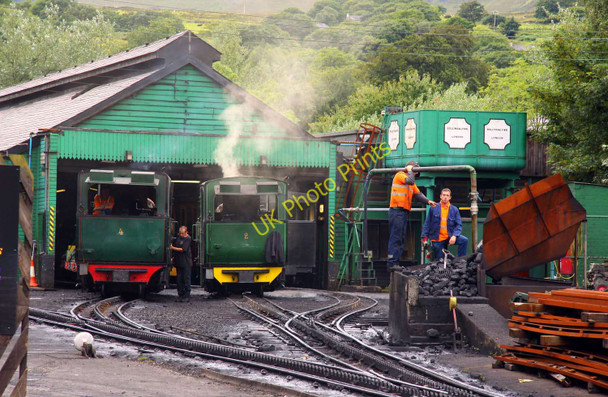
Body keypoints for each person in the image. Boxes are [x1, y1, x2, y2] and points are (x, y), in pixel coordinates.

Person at [387, 161, 436, 270]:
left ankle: (395, 263)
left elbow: (418, 194)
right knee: (396, 237)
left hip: (402, 212)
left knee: (400, 238)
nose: (415, 175)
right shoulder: (400, 175)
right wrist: (410, 171)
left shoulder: (411, 182)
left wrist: (428, 201)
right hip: (396, 211)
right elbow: (409, 181)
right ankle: (391, 263)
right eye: (415, 172)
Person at [422, 188, 469, 259]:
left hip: (449, 236)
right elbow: (427, 223)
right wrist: (425, 238)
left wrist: (454, 236)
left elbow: (459, 225)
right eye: (444, 195)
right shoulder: (433, 208)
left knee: (464, 240)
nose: (445, 197)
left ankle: (460, 261)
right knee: (440, 262)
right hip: (437, 239)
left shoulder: (454, 209)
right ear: (440, 196)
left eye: (447, 195)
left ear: (450, 197)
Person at [170, 226, 193, 302]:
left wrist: (172, 248)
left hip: (186, 262)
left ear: (186, 232)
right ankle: (180, 294)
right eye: (180, 233)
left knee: (186, 279)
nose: (181, 235)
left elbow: (183, 249)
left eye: (182, 233)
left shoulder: (188, 239)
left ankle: (187, 295)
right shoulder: (178, 237)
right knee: (179, 279)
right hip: (179, 261)